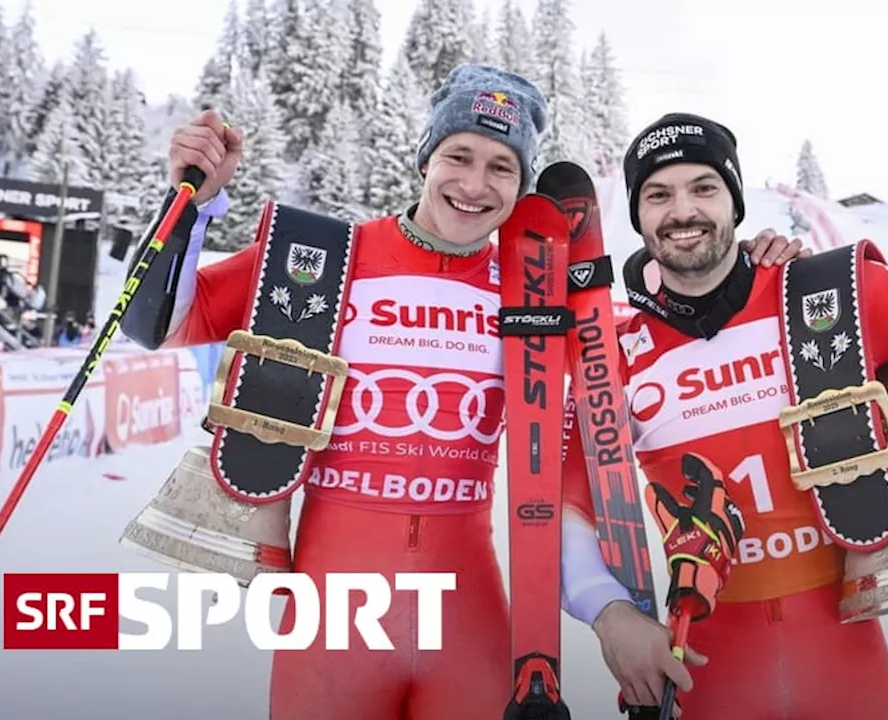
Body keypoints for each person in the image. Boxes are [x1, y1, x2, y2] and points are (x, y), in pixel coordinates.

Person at [129, 65, 803, 719]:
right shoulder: (330, 258)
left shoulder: (535, 294)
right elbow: (161, 322)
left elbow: (661, 342)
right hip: (336, 616)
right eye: (460, 155)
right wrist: (192, 205)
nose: (475, 184)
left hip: (468, 617)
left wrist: (765, 277)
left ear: (521, 187)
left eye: (502, 167)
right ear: (425, 157)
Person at [558, 112, 888, 719]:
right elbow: (568, 504)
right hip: (704, 660)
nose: (683, 210)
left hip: (841, 658)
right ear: (638, 215)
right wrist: (610, 616)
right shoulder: (613, 354)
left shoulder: (823, 298)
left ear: (734, 202)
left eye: (704, 187)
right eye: (658, 194)